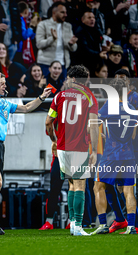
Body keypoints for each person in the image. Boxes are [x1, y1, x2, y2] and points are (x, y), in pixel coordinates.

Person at [0, 72, 51, 235]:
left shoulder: (5, 104)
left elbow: (25, 108)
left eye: (4, 83)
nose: (4, 86)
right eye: (1, 83)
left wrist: (42, 97)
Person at [45, 65, 99, 236]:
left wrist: (54, 140)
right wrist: (95, 151)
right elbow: (93, 127)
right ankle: (76, 225)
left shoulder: (59, 96)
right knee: (80, 185)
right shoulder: (90, 97)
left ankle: (74, 224)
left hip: (62, 148)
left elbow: (48, 123)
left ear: (73, 79)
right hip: (80, 147)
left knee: (71, 185)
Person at [92, 78, 138, 235]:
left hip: (112, 154)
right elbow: (133, 136)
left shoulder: (109, 105)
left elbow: (95, 121)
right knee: (128, 191)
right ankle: (131, 227)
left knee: (98, 185)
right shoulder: (132, 108)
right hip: (129, 154)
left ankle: (103, 225)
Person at [36, 2, 78, 78]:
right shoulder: (43, 24)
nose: (65, 15)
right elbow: (39, 44)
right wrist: (52, 39)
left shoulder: (68, 26)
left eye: (66, 12)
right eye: (62, 12)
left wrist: (71, 44)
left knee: (62, 89)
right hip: (46, 64)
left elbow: (74, 48)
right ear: (54, 12)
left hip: (63, 65)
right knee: (47, 88)